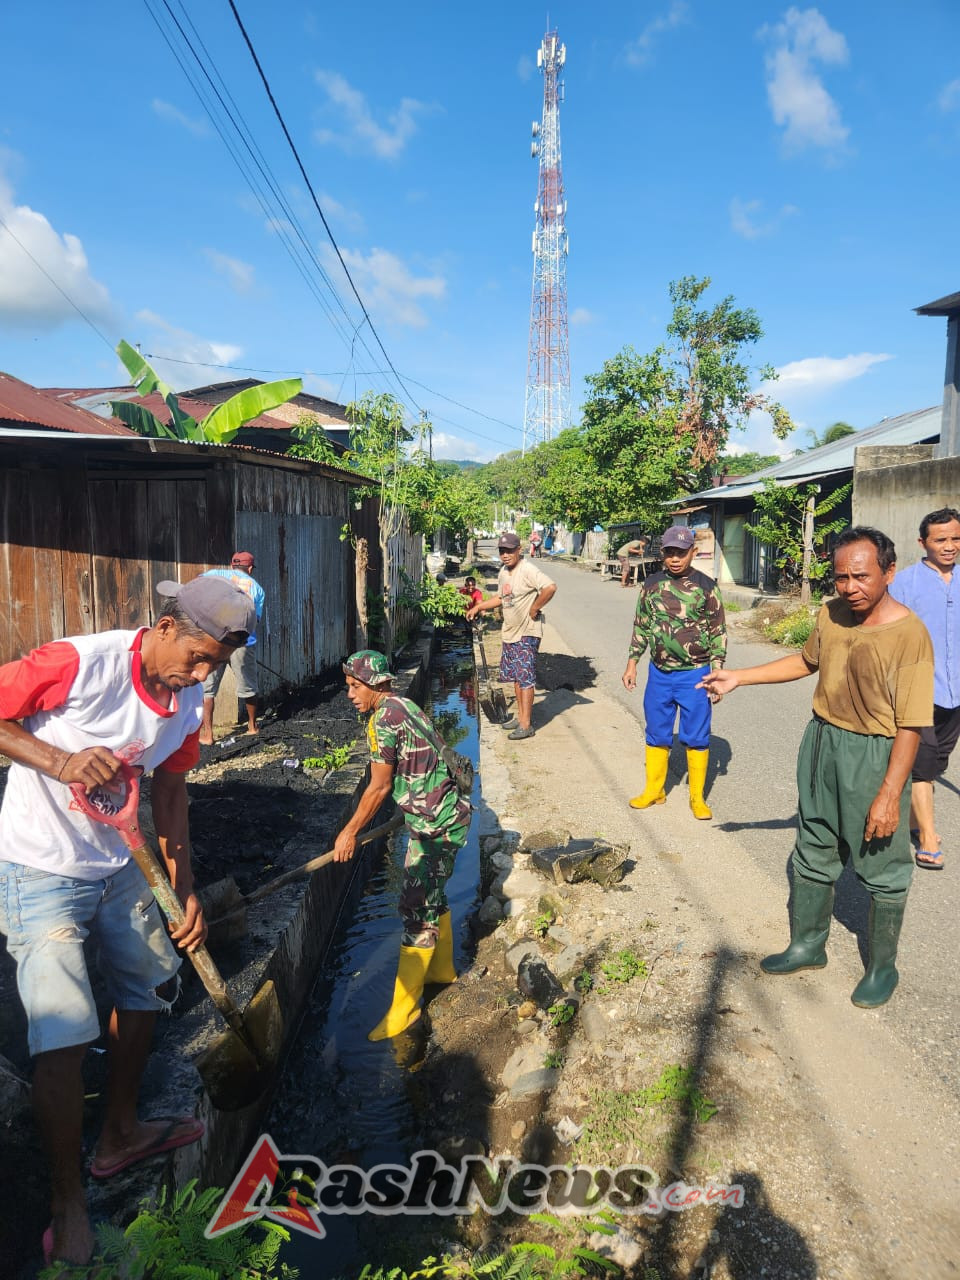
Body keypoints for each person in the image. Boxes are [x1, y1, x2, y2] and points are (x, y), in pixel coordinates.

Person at [0, 575, 256, 1267]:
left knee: (146, 985)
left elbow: (171, 791)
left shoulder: (188, 697)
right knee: (63, 1030)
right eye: (197, 657)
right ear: (167, 627)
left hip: (119, 864)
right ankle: (67, 1201)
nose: (200, 676)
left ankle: (119, 1134)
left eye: (215, 666)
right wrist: (59, 760)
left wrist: (184, 888)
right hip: (39, 866)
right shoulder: (79, 662)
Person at [701, 527, 934, 1008]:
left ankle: (882, 967)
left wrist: (891, 794)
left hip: (876, 754)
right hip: (822, 742)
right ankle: (808, 946)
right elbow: (806, 662)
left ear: (889, 572)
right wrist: (740, 677)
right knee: (813, 844)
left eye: (861, 576)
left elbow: (911, 725)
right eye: (841, 577)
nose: (850, 587)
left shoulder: (909, 633)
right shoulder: (831, 614)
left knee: (882, 863)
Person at [333, 651, 471, 1040]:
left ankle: (404, 1010)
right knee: (432, 894)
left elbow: (377, 786)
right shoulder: (404, 705)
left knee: (415, 907)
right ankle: (442, 971)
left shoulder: (383, 720)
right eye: (348, 687)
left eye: (355, 687)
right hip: (447, 815)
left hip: (435, 826)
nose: (350, 695)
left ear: (376, 685)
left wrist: (349, 832)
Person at [621, 525, 726, 819]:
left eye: (681, 552)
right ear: (663, 553)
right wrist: (632, 663)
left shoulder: (707, 586)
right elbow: (641, 625)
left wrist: (717, 672)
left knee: (696, 736)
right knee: (656, 731)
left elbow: (718, 631)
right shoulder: (652, 585)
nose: (675, 558)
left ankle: (697, 798)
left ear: (693, 552)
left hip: (695, 674)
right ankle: (655, 791)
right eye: (670, 552)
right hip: (660, 674)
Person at [888, 507, 960, 870]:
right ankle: (928, 838)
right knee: (924, 765)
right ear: (923, 542)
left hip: (956, 693)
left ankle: (915, 820)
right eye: (941, 540)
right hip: (918, 690)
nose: (949, 547)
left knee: (938, 761)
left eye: (956, 539)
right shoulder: (904, 583)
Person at [464, 530, 557, 740]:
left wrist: (535, 608)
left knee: (526, 679)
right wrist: (479, 608)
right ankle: (522, 718)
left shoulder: (528, 569)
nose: (505, 555)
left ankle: (526, 725)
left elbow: (550, 587)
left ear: (518, 550)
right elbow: (500, 597)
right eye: (502, 551)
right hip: (510, 632)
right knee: (516, 677)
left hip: (527, 632)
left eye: (509, 551)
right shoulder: (504, 572)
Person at [200, 551, 266, 743]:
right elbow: (256, 619)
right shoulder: (257, 589)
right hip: (243, 642)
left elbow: (197, 585)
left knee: (208, 687)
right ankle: (253, 727)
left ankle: (208, 735)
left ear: (231, 566)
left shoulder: (214, 575)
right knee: (248, 684)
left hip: (216, 639)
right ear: (250, 568)